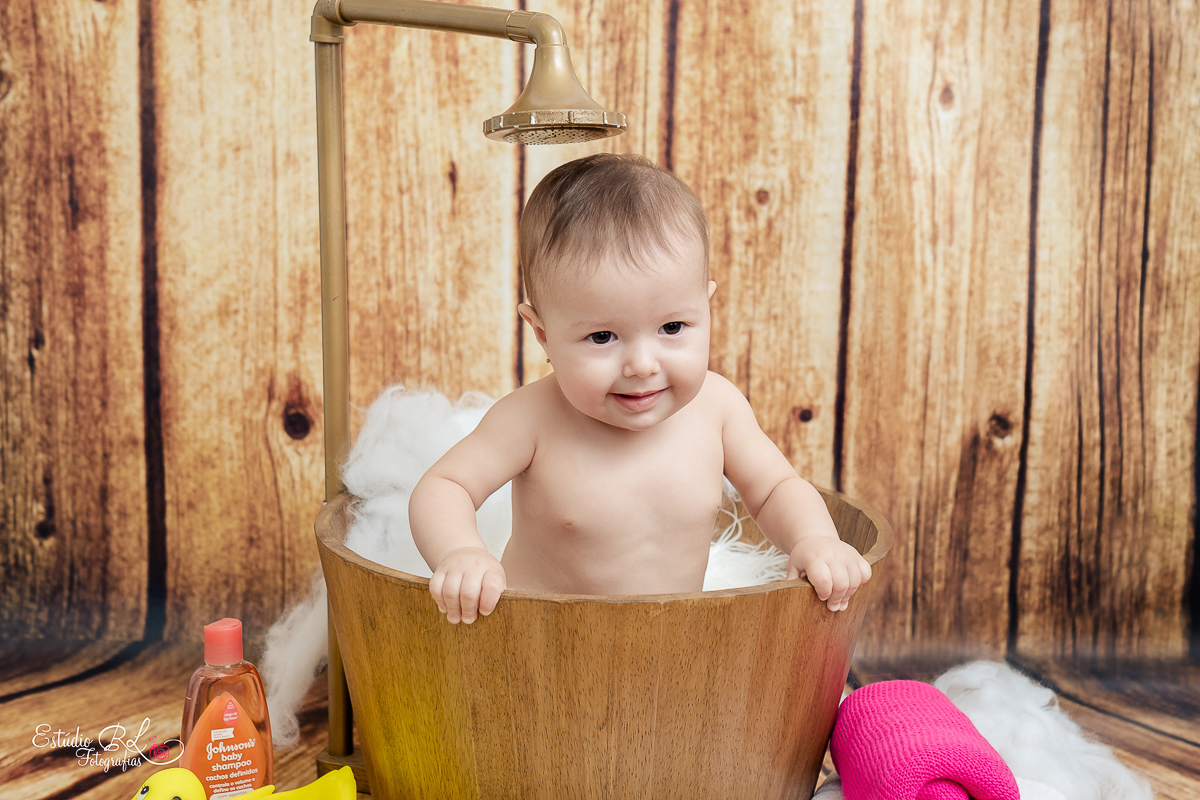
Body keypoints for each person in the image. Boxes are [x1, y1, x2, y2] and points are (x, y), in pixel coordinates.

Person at [409, 153, 871, 624]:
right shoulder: (530, 419)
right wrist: (461, 551)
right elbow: (444, 486)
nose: (642, 365)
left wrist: (813, 538)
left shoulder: (718, 408)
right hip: (542, 646)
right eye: (602, 337)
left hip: (667, 647)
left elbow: (776, 489)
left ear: (706, 307)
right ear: (542, 333)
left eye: (672, 327)